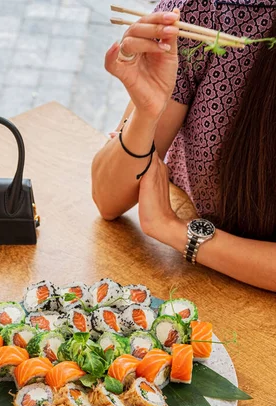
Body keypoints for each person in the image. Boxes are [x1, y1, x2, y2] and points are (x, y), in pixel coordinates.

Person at [91, 0, 276, 292]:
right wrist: (147, 111)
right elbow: (107, 198)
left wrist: (176, 230)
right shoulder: (206, 11)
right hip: (191, 282)